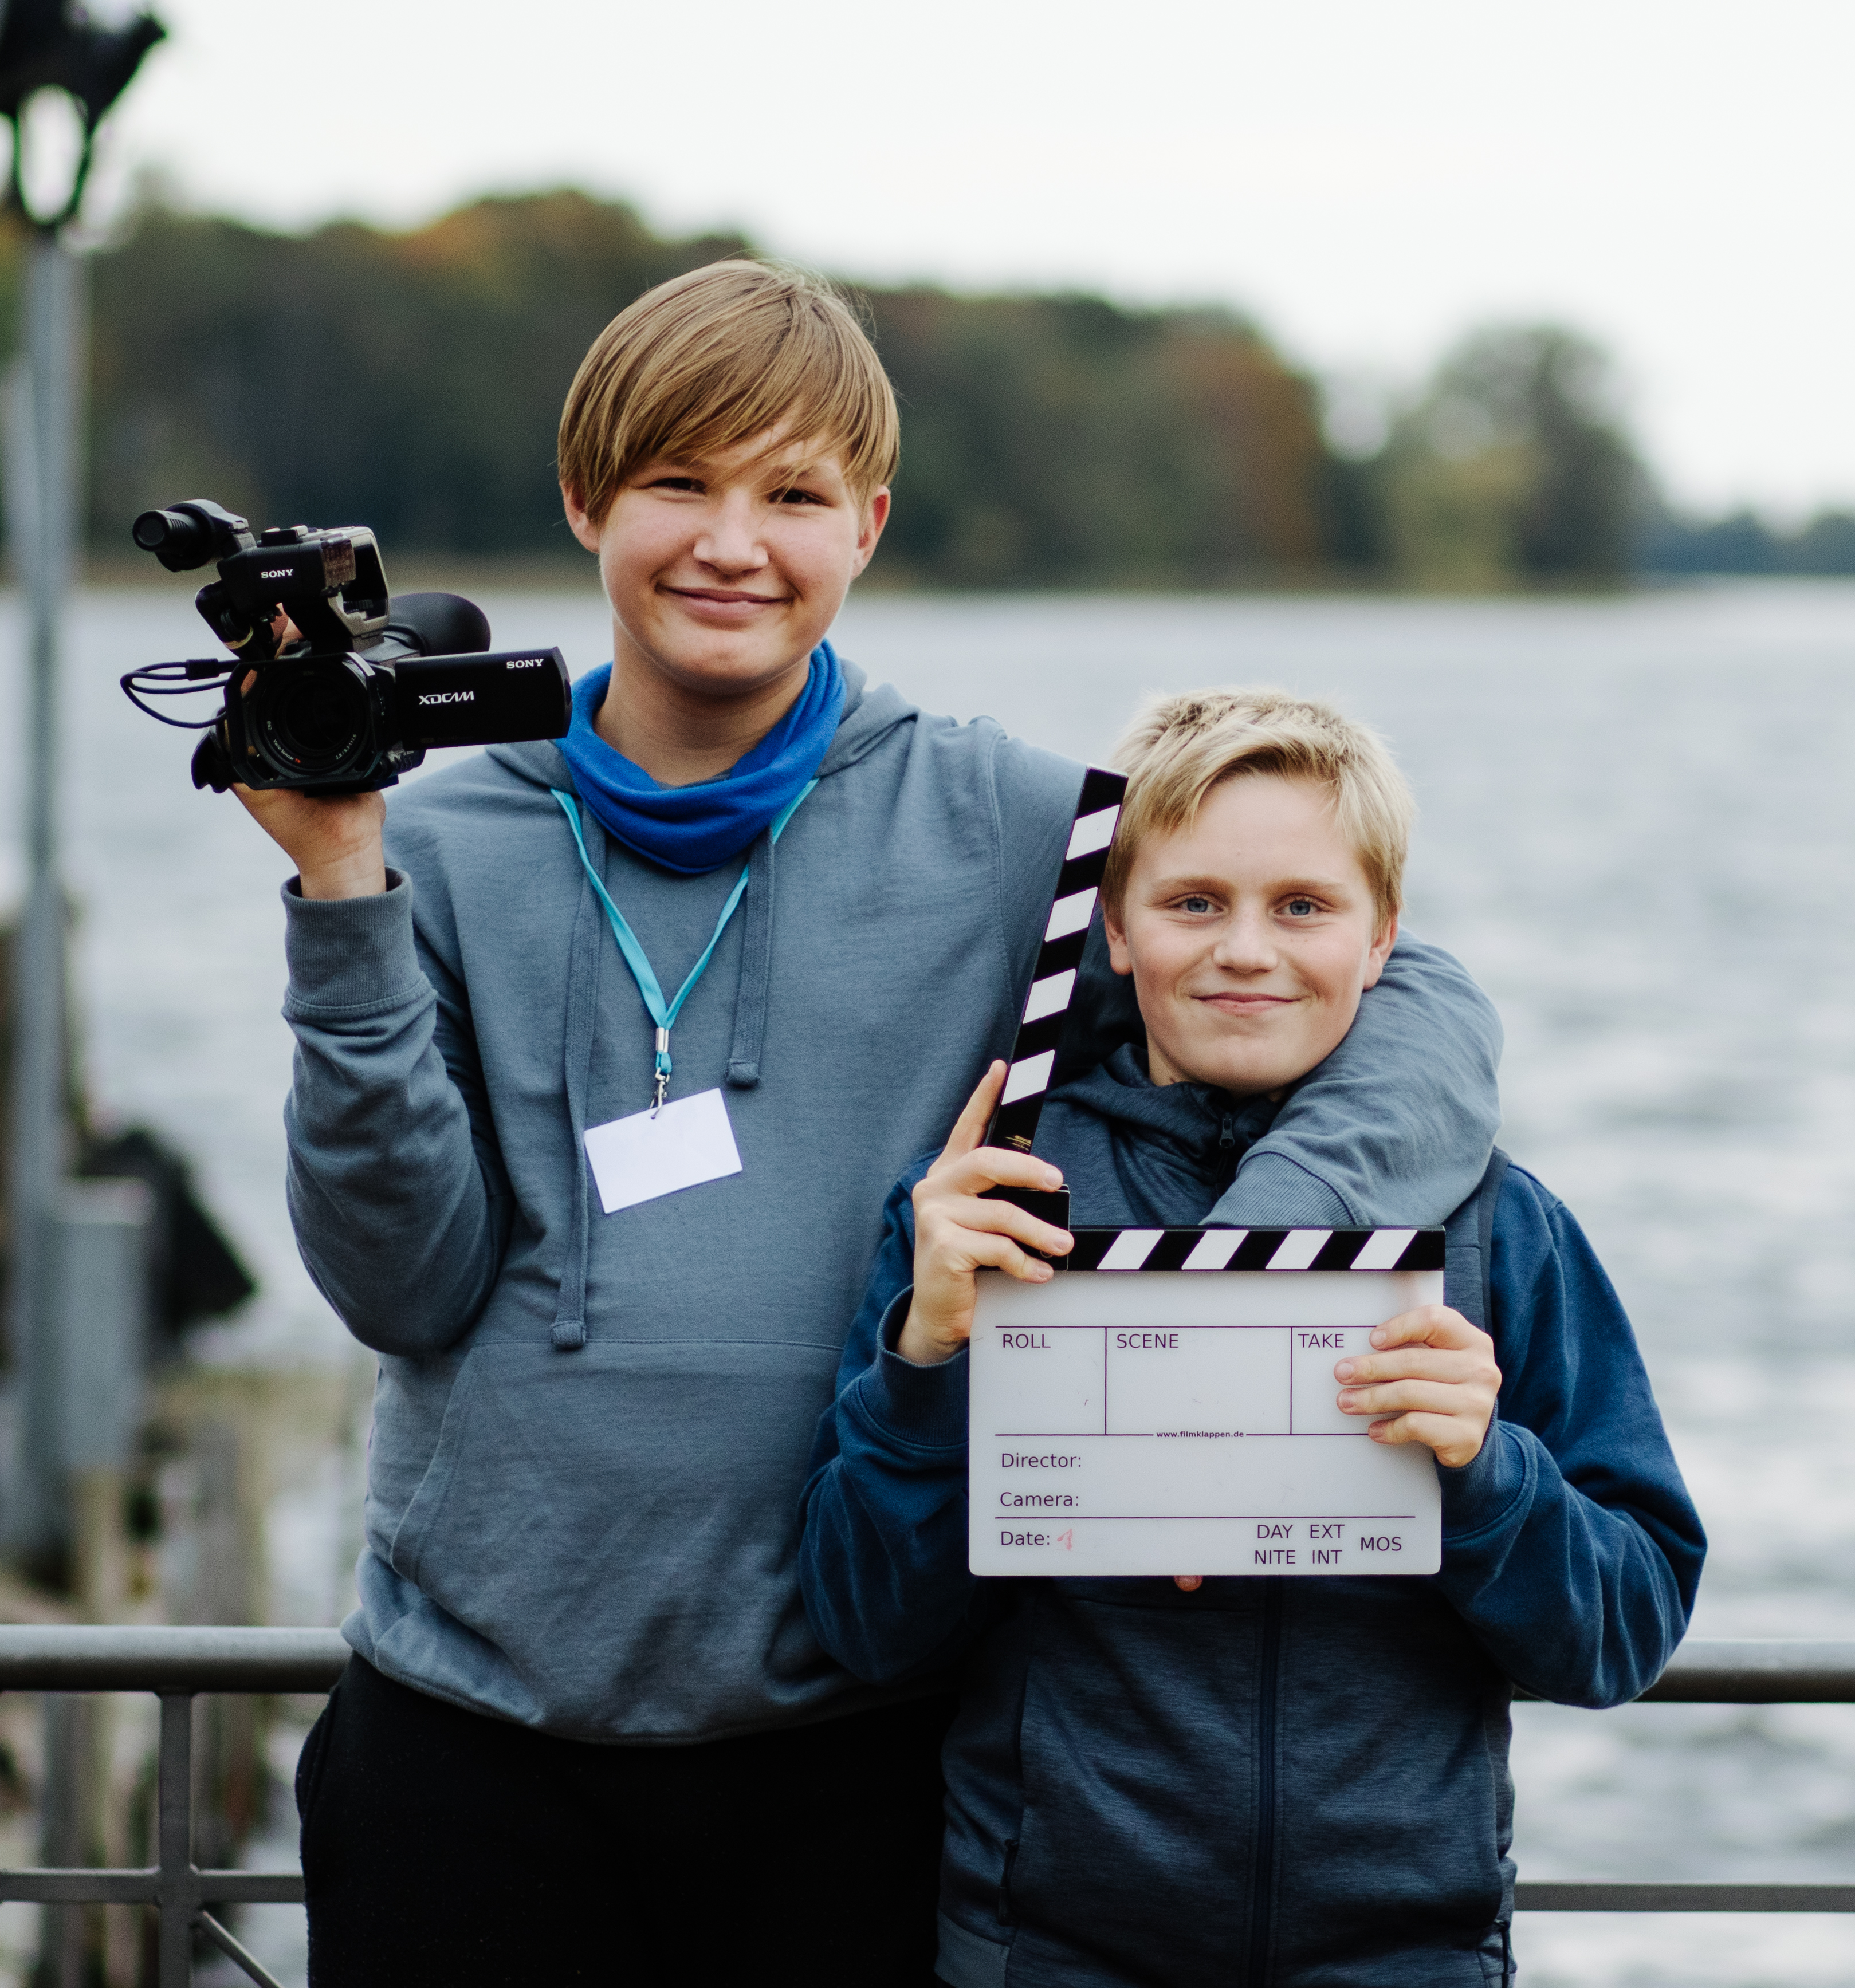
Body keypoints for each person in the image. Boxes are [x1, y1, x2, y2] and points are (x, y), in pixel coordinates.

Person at [246, 263, 1504, 1985]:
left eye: (793, 496)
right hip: (468, 1729)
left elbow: (1403, 1003)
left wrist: (1227, 1292)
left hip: (863, 1745)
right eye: (680, 484)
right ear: (584, 500)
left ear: (871, 527)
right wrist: (339, 887)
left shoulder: (1020, 829)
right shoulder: (436, 842)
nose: (731, 544)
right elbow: (402, 1285)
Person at [799, 689, 1704, 1987]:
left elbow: (1625, 1627)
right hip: (1052, 1943)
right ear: (1115, 927)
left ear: (1384, 937)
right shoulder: (992, 1204)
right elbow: (867, 1623)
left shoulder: (1504, 1232)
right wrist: (927, 1362)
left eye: (1303, 906)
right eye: (1192, 902)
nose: (1245, 951)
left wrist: (1487, 1473)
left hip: (1404, 1949)